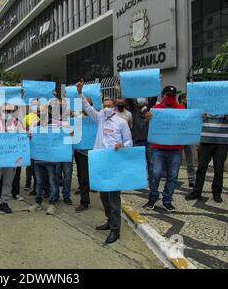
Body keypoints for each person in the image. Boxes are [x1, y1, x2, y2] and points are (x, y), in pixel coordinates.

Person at [77, 80, 133, 244]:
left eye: (109, 105)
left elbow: (130, 142)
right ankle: (109, 221)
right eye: (104, 105)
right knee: (103, 196)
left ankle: (116, 230)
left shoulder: (121, 122)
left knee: (114, 198)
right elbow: (87, 108)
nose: (106, 108)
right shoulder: (100, 118)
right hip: (100, 162)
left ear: (114, 107)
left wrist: (122, 145)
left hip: (114, 162)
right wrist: (80, 93)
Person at [143, 86, 185, 213]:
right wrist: (148, 118)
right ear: (163, 96)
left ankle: (167, 200)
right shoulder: (155, 109)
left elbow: (188, 123)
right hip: (158, 148)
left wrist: (200, 118)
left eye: (173, 95)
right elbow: (146, 122)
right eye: (168, 95)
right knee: (155, 173)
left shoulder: (182, 109)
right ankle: (153, 197)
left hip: (176, 149)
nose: (171, 98)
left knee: (173, 176)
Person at [186, 113, 228, 203]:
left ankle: (217, 193)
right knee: (201, 168)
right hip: (205, 140)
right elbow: (193, 120)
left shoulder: (225, 104)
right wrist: (199, 116)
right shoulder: (204, 103)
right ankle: (197, 191)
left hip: (222, 142)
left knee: (219, 170)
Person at [74, 96, 94, 213]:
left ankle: (106, 201)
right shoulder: (77, 119)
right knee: (83, 178)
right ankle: (84, 201)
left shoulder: (97, 118)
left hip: (96, 152)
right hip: (81, 153)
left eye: (87, 103)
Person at [178, 93, 197, 187]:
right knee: (176, 159)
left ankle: (192, 179)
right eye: (186, 98)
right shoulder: (177, 110)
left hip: (189, 138)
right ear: (182, 99)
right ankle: (173, 177)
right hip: (179, 138)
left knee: (191, 160)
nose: (188, 100)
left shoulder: (192, 110)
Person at [23, 100, 40, 193]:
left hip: (37, 146)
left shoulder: (40, 118)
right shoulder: (26, 117)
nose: (35, 107)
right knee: (29, 165)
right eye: (33, 105)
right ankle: (28, 183)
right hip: (29, 144)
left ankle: (35, 185)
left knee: (35, 166)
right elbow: (23, 129)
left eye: (36, 105)